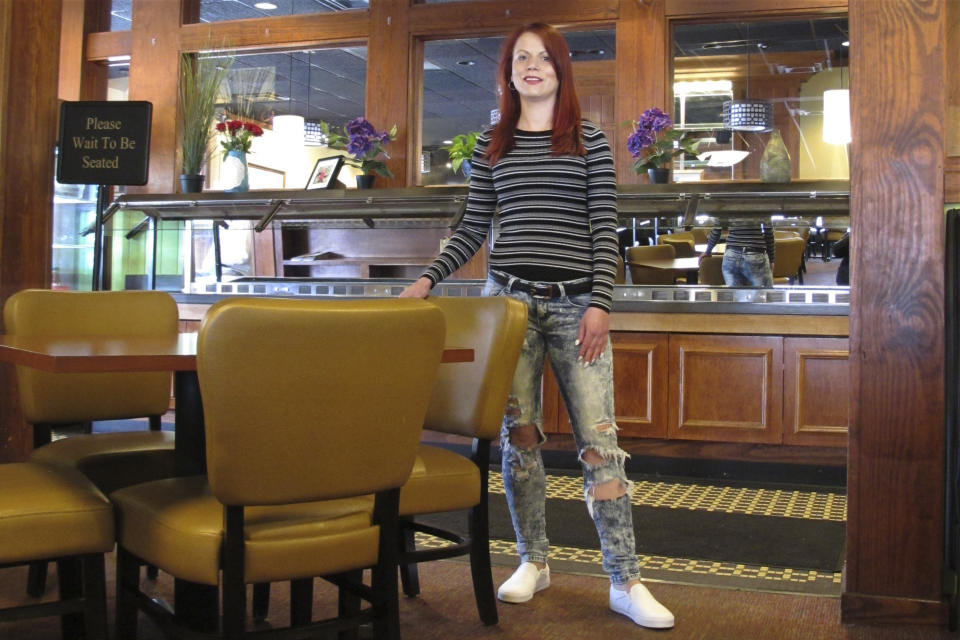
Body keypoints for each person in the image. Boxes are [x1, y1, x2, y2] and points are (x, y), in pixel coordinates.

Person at [400, 22, 674, 630]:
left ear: (560, 69)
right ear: (508, 71)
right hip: (509, 309)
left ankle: (625, 579)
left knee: (600, 443)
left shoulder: (590, 142)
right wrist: (428, 279)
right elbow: (473, 228)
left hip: (578, 306)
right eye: (521, 58)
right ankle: (533, 561)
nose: (531, 66)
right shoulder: (491, 145)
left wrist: (601, 302)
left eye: (542, 57)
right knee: (519, 442)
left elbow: (607, 230)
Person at [699, 218, 775, 287]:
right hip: (755, 253)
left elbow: (717, 230)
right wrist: (771, 259)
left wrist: (708, 250)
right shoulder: (762, 203)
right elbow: (768, 233)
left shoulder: (728, 203)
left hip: (731, 254)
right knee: (764, 296)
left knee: (736, 298)